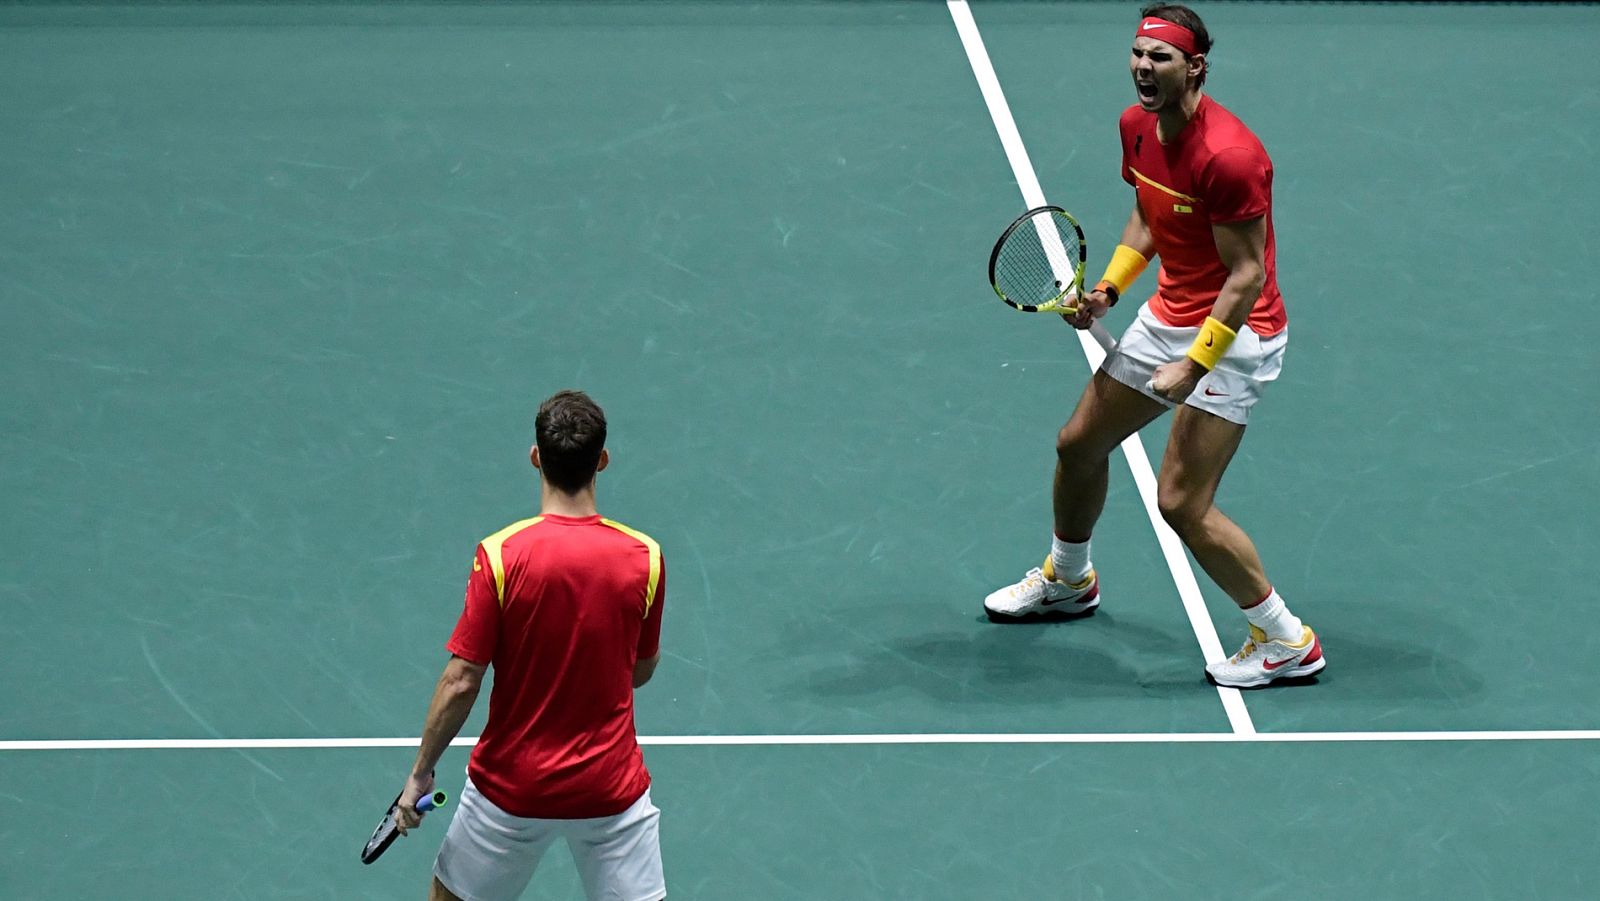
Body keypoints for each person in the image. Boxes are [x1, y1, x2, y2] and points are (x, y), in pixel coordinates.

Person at [982, 4, 1324, 689]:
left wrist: (1194, 365)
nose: (1143, 67)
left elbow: (1247, 274)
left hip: (1236, 334)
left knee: (1180, 503)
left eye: (1160, 57)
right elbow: (1148, 212)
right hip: (1171, 313)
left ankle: (1287, 639)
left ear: (1194, 67)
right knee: (1079, 443)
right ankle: (1071, 578)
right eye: (1137, 54)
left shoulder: (1230, 156)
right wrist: (1109, 289)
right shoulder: (1135, 127)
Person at [394, 389, 668, 900]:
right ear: (602, 462)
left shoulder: (500, 556)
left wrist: (420, 775)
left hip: (511, 792)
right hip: (609, 792)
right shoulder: (645, 558)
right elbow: (641, 667)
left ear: (536, 457)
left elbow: (460, 680)